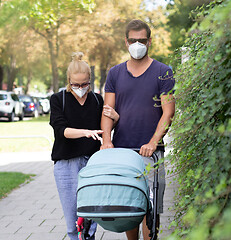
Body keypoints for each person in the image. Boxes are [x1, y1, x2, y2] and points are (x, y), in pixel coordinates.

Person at [101, 19, 175, 240]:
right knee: (128, 208)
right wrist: (107, 139)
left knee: (151, 212)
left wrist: (153, 142)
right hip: (123, 152)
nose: (137, 44)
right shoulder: (114, 73)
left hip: (152, 154)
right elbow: (107, 111)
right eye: (133, 40)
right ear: (126, 42)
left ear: (149, 41)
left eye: (141, 40)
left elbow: (168, 112)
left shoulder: (164, 72)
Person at [49, 52, 119, 240]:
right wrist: (85, 132)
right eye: (75, 85)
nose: (80, 88)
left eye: (84, 84)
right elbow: (60, 130)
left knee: (90, 222)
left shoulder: (96, 100)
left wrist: (116, 118)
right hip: (66, 165)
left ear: (90, 80)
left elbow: (107, 128)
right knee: (73, 224)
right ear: (69, 81)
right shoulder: (59, 99)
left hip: (93, 164)